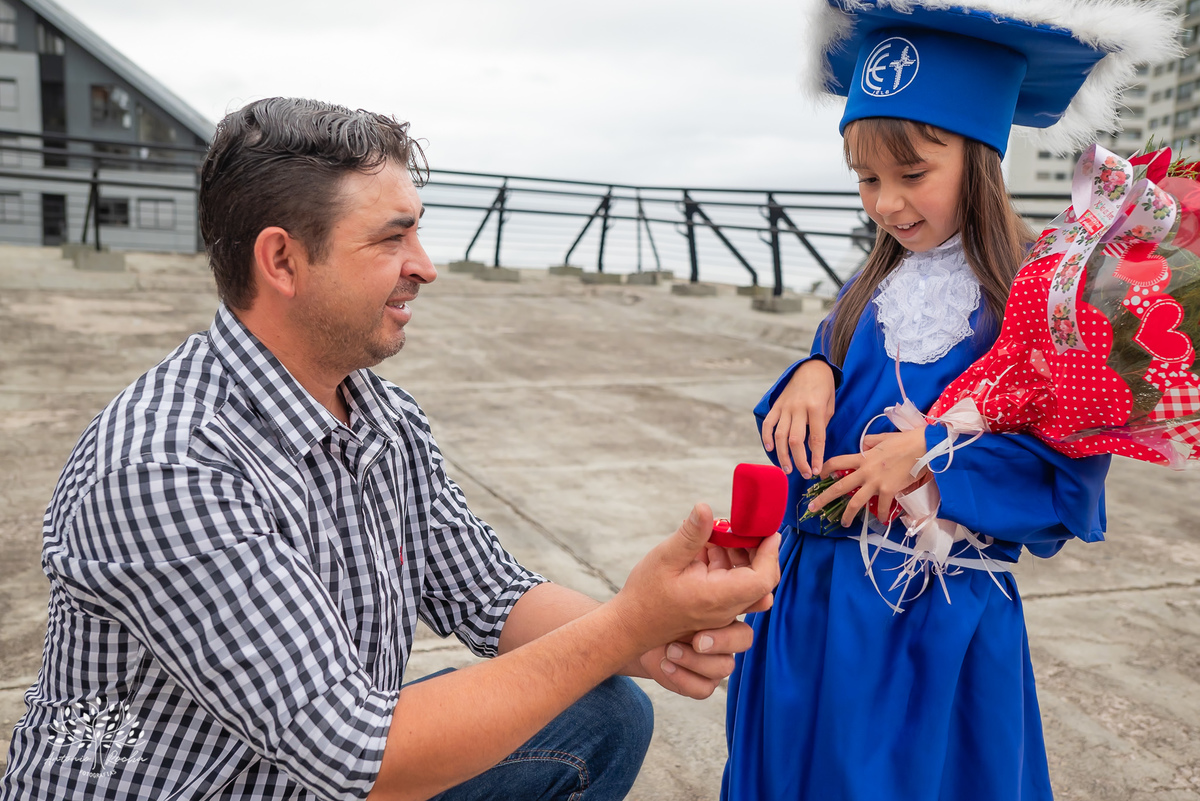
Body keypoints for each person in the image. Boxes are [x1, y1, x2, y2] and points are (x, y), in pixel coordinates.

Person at [0, 97, 781, 801]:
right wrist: (623, 626)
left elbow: (490, 594)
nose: (426, 266)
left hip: (304, 773)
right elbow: (354, 751)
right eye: (392, 237)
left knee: (603, 709)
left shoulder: (381, 416)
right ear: (282, 261)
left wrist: (658, 632)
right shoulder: (167, 464)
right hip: (197, 782)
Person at [722, 1, 1178, 799]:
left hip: (938, 617)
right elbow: (806, 434)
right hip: (813, 606)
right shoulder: (865, 292)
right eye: (866, 179)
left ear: (981, 159)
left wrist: (931, 462)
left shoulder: (1046, 300)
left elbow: (1068, 482)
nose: (887, 204)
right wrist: (810, 369)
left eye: (912, 174)